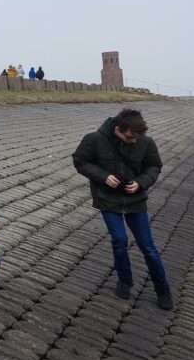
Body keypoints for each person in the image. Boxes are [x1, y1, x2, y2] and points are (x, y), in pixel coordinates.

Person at [72, 108, 172, 309]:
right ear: (118, 129)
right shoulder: (94, 139)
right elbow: (80, 161)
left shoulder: (146, 142)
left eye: (138, 136)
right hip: (107, 199)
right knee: (119, 240)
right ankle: (125, 281)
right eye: (131, 136)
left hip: (136, 201)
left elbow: (154, 167)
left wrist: (140, 183)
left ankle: (163, 290)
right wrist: (103, 177)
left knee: (148, 247)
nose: (134, 140)